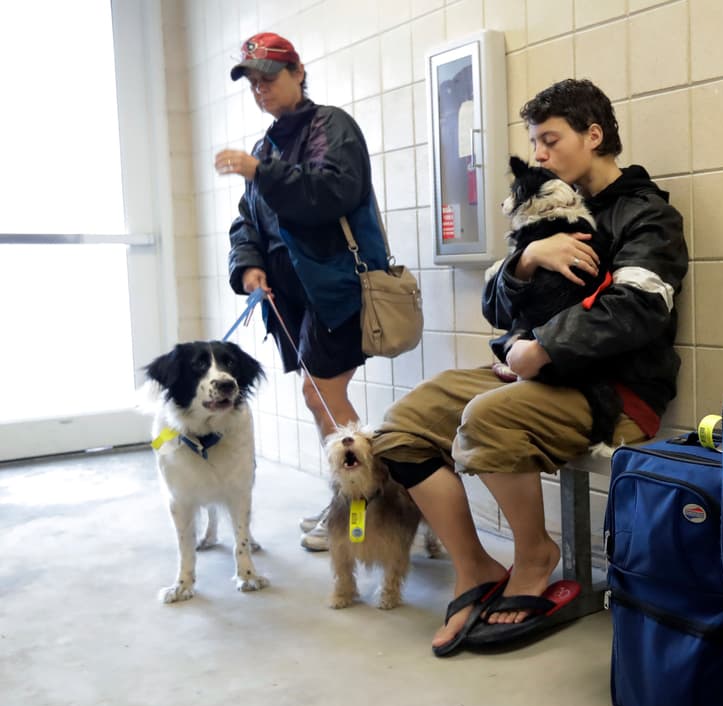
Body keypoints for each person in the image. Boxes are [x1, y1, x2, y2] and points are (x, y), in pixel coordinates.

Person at [373, 78, 689, 655]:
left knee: (487, 417)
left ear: (594, 136)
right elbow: (494, 304)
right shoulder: (546, 205)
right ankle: (474, 567)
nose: (538, 155)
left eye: (550, 140)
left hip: (612, 391)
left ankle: (534, 555)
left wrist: (541, 347)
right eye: (535, 142)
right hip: (530, 374)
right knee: (401, 427)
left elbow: (638, 308)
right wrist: (526, 260)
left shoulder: (648, 216)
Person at [218, 32, 373, 552]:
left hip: (336, 288)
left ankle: (357, 506)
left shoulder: (331, 126)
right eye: (253, 83)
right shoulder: (266, 146)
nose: (260, 89)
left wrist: (262, 172)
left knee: (320, 395)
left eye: (268, 78)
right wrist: (248, 265)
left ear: (298, 72)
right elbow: (248, 220)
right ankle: (350, 499)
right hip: (294, 296)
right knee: (320, 399)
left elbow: (331, 192)